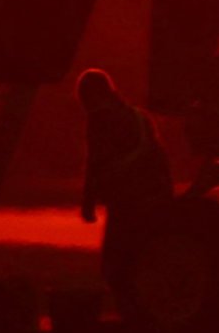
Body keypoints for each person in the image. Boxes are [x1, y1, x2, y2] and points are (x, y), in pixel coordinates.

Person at [74, 67, 174, 299]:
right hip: (154, 197)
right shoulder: (139, 116)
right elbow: (159, 157)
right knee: (145, 255)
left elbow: (95, 161)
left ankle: (128, 308)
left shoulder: (100, 118)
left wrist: (88, 202)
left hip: (125, 200)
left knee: (114, 264)